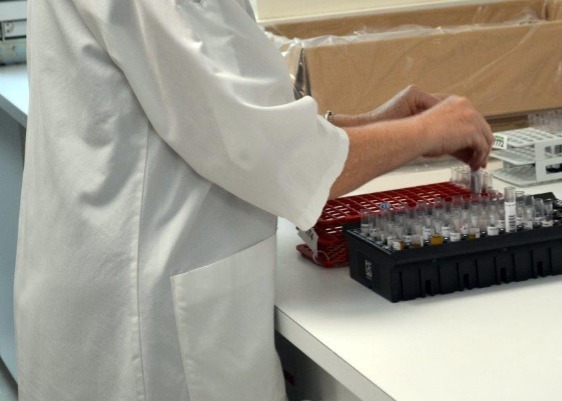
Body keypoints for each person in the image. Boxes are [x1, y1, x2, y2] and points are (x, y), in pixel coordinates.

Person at [14, 0, 493, 400]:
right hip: (148, 322)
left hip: (101, 275)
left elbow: (228, 118)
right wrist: (424, 131)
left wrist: (380, 125)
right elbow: (268, 154)